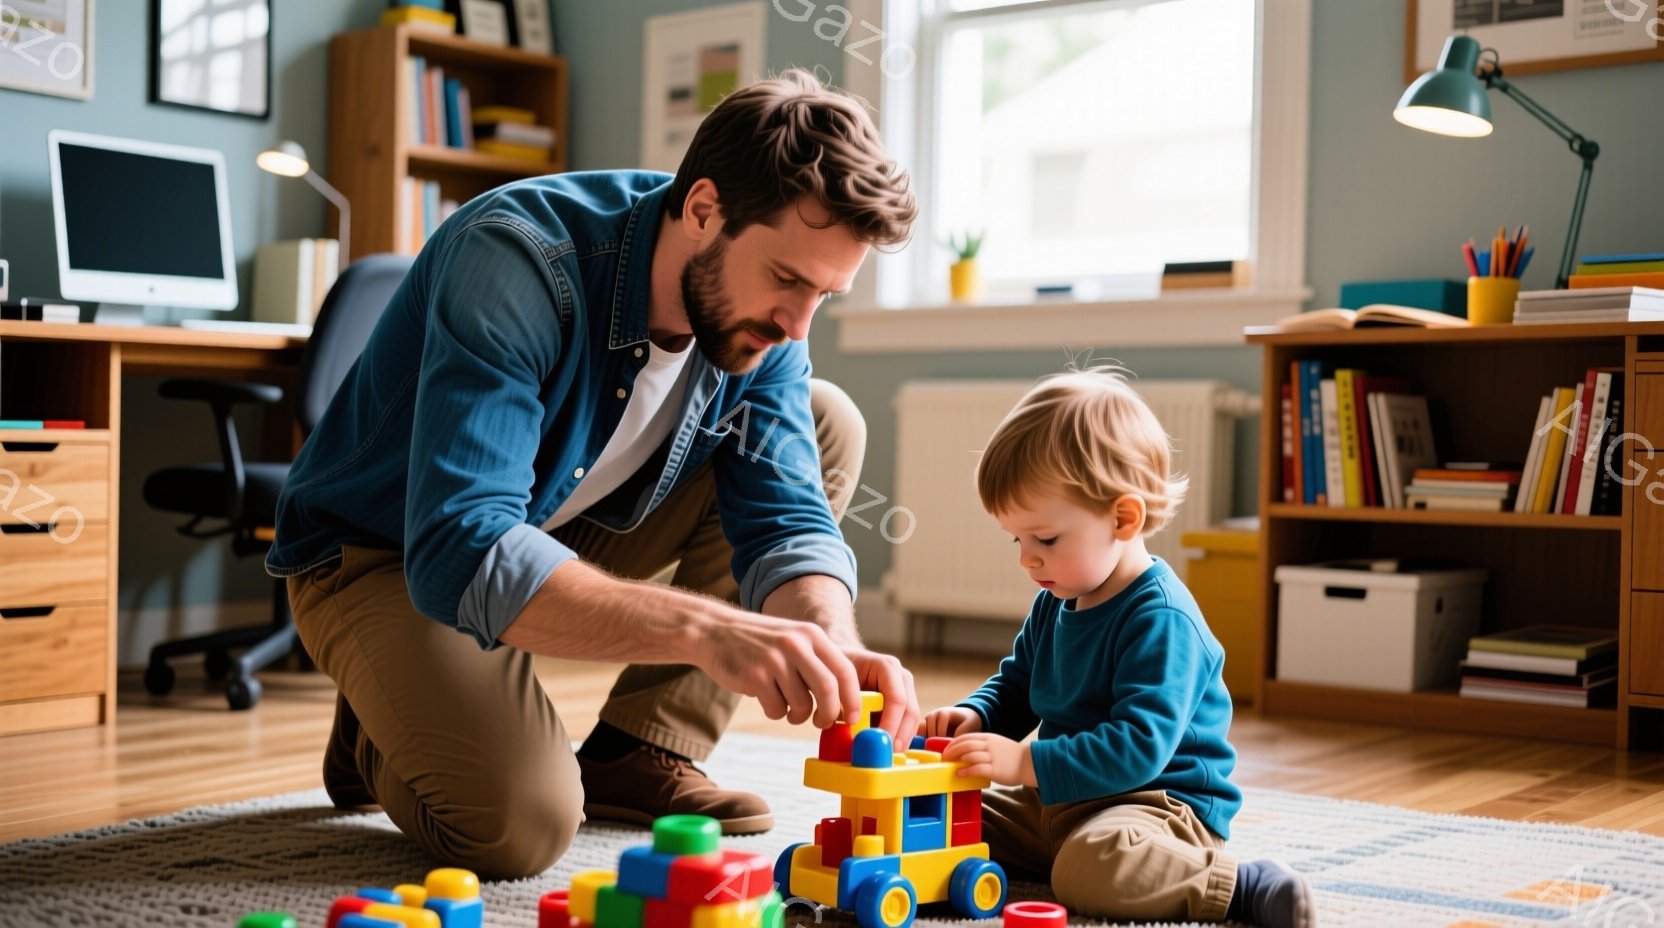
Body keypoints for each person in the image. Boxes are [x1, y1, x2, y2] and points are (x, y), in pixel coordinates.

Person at [266, 69, 921, 880]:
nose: (797, 324)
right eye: (788, 279)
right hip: (385, 554)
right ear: (704, 209)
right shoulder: (516, 258)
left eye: (826, 294)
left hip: (553, 522)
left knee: (826, 421)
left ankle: (639, 748)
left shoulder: (769, 329)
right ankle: (381, 711)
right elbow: (462, 546)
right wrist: (707, 631)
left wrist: (837, 640)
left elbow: (785, 517)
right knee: (520, 828)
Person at [921, 367, 1315, 928]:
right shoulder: (1056, 600)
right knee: (938, 816)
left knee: (1089, 869)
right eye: (1018, 539)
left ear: (1123, 518)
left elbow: (1138, 747)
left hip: (1153, 807)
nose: (1026, 559)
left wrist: (1023, 761)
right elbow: (1018, 684)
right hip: (1061, 801)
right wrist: (976, 715)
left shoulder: (1161, 618)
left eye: (1046, 539)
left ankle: (1241, 886)